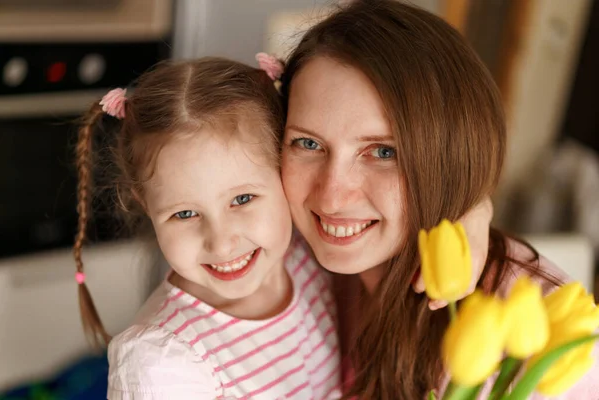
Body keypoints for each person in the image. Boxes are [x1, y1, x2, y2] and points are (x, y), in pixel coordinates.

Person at [278, 1, 599, 399]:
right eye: (307, 143)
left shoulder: (531, 344)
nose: (331, 194)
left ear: (448, 157)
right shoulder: (289, 255)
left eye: (382, 152)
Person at [73, 57, 342, 399]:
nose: (222, 243)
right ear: (146, 205)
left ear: (286, 173)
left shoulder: (307, 256)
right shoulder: (161, 363)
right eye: (185, 214)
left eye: (243, 199)